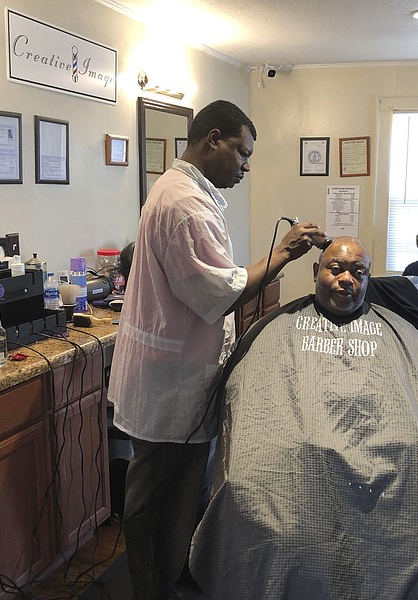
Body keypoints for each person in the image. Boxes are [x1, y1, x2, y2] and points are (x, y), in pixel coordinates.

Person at [189, 237, 418, 599]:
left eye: (358, 272)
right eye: (335, 269)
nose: (346, 279)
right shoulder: (279, 328)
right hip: (298, 461)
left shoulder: (394, 331)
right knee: (258, 511)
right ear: (315, 272)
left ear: (368, 280)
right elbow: (254, 403)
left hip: (392, 454)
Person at [107, 99, 327, 600]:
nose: (246, 166)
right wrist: (285, 252)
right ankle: (152, 589)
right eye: (242, 153)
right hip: (170, 382)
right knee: (158, 498)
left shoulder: (182, 190)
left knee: (184, 494)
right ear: (212, 140)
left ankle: (177, 571)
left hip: (177, 373)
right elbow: (220, 289)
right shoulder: (183, 204)